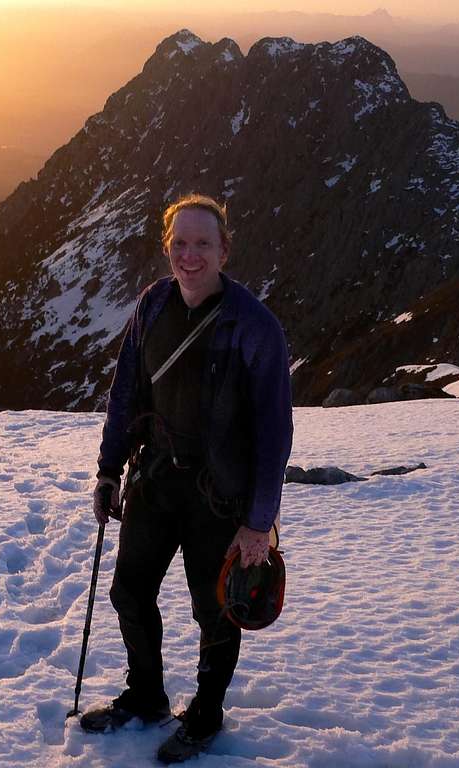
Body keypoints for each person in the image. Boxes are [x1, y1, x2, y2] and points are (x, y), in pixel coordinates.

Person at [81, 193, 293, 764]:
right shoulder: (153, 304)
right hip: (154, 479)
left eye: (203, 243)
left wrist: (257, 523)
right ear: (166, 247)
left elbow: (275, 435)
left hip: (220, 498)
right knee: (130, 592)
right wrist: (107, 470)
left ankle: (205, 714)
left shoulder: (255, 328)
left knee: (216, 608)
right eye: (180, 243)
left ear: (224, 249)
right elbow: (126, 393)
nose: (190, 255)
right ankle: (147, 695)